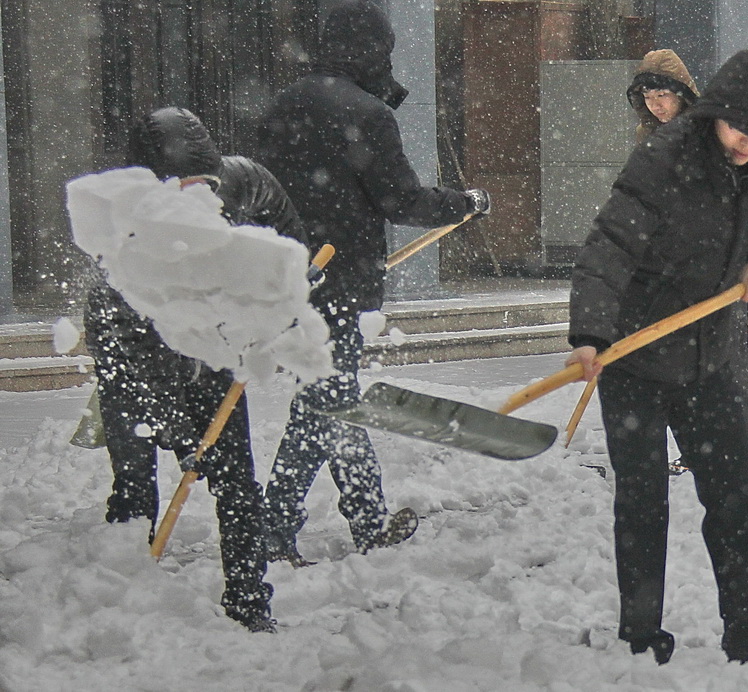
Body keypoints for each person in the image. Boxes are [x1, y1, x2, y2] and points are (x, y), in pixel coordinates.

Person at [566, 50, 748, 664]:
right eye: (739, 128)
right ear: (716, 113)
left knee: (735, 498)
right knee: (642, 506)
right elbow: (608, 246)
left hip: (708, 357)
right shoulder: (664, 160)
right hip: (636, 357)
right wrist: (590, 330)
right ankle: (642, 640)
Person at [258, 0, 490, 565]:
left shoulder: (283, 102)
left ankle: (366, 519)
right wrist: (465, 204)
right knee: (327, 402)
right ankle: (274, 524)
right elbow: (399, 199)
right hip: (339, 281)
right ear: (374, 48)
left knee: (330, 395)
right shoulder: (365, 112)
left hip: (289, 276)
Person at [84, 106, 305, 633]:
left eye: (203, 189)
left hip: (210, 350)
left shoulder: (241, 179)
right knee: (136, 484)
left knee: (237, 486)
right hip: (132, 359)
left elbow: (288, 230)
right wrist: (179, 429)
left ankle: (250, 605)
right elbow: (126, 342)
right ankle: (122, 610)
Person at [626, 49, 748, 462]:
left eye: (663, 94)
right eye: (648, 95)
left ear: (683, 93)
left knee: (725, 350)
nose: (656, 103)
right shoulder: (650, 139)